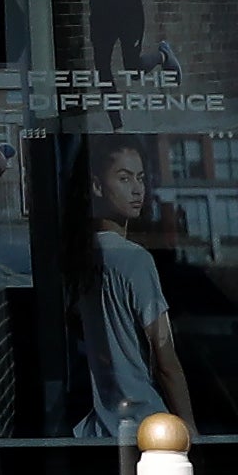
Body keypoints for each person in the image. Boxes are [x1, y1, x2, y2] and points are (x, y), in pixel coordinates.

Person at [74, 141, 194, 442]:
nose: (137, 189)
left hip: (98, 429)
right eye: (125, 178)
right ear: (98, 186)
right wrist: (190, 429)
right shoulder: (135, 259)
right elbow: (165, 358)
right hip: (145, 424)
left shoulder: (80, 258)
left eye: (141, 178)